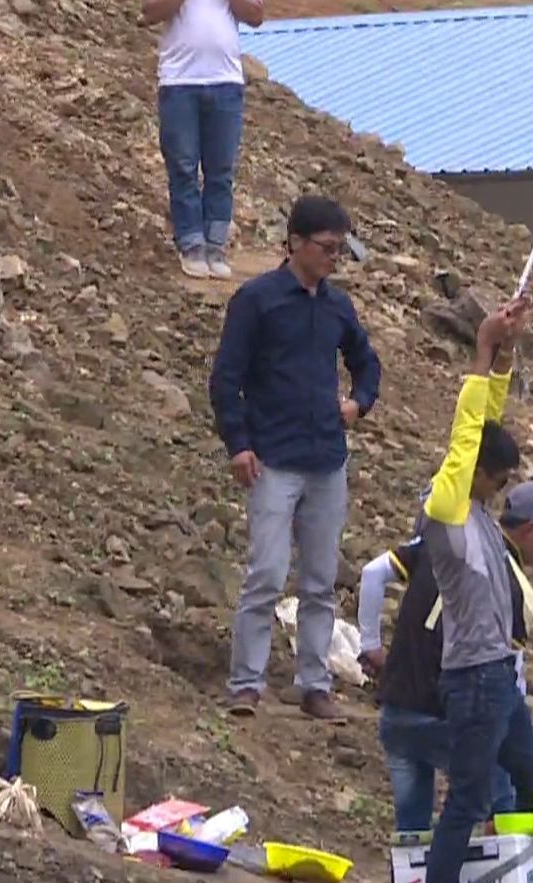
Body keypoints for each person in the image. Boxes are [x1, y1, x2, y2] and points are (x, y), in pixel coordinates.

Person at [416, 295, 533, 883]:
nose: (505, 483)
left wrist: (505, 356)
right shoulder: (449, 510)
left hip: (499, 684)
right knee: (467, 798)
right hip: (474, 681)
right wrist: (481, 353)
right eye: (500, 475)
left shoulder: (484, 510)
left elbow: (486, 422)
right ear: (479, 476)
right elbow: (465, 436)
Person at [208, 196, 381, 720]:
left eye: (341, 250)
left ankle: (314, 682)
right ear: (297, 244)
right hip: (273, 459)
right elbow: (226, 378)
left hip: (326, 460)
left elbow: (366, 362)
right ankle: (246, 682)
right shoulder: (257, 301)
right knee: (266, 572)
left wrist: (358, 403)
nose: (335, 259)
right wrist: (238, 443)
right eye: (328, 248)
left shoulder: (337, 307)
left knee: (320, 578)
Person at [357, 479, 533, 839]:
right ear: (530, 529)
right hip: (449, 715)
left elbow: (371, 574)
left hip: (397, 709)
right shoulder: (514, 585)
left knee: (411, 833)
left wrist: (370, 644)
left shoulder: (443, 541)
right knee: (503, 797)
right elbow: (510, 681)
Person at [141, 0, 262, 280]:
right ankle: (191, 243)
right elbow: (148, 13)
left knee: (221, 169)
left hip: (226, 82)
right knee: (183, 166)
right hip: (179, 83)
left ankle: (216, 244)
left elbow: (255, 16)